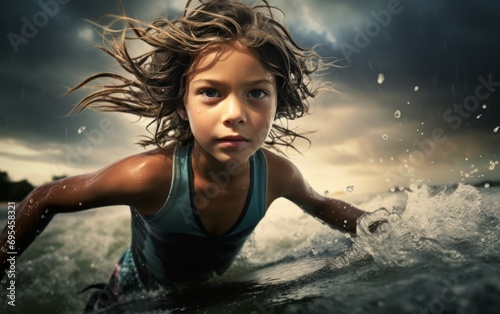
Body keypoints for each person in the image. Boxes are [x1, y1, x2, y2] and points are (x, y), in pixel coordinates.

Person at [0, 0, 384, 311]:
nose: (235, 113)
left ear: (277, 101)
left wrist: (384, 230)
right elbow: (44, 197)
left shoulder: (278, 175)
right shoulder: (151, 177)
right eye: (211, 92)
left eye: (256, 93)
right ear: (182, 104)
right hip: (128, 298)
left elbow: (320, 205)